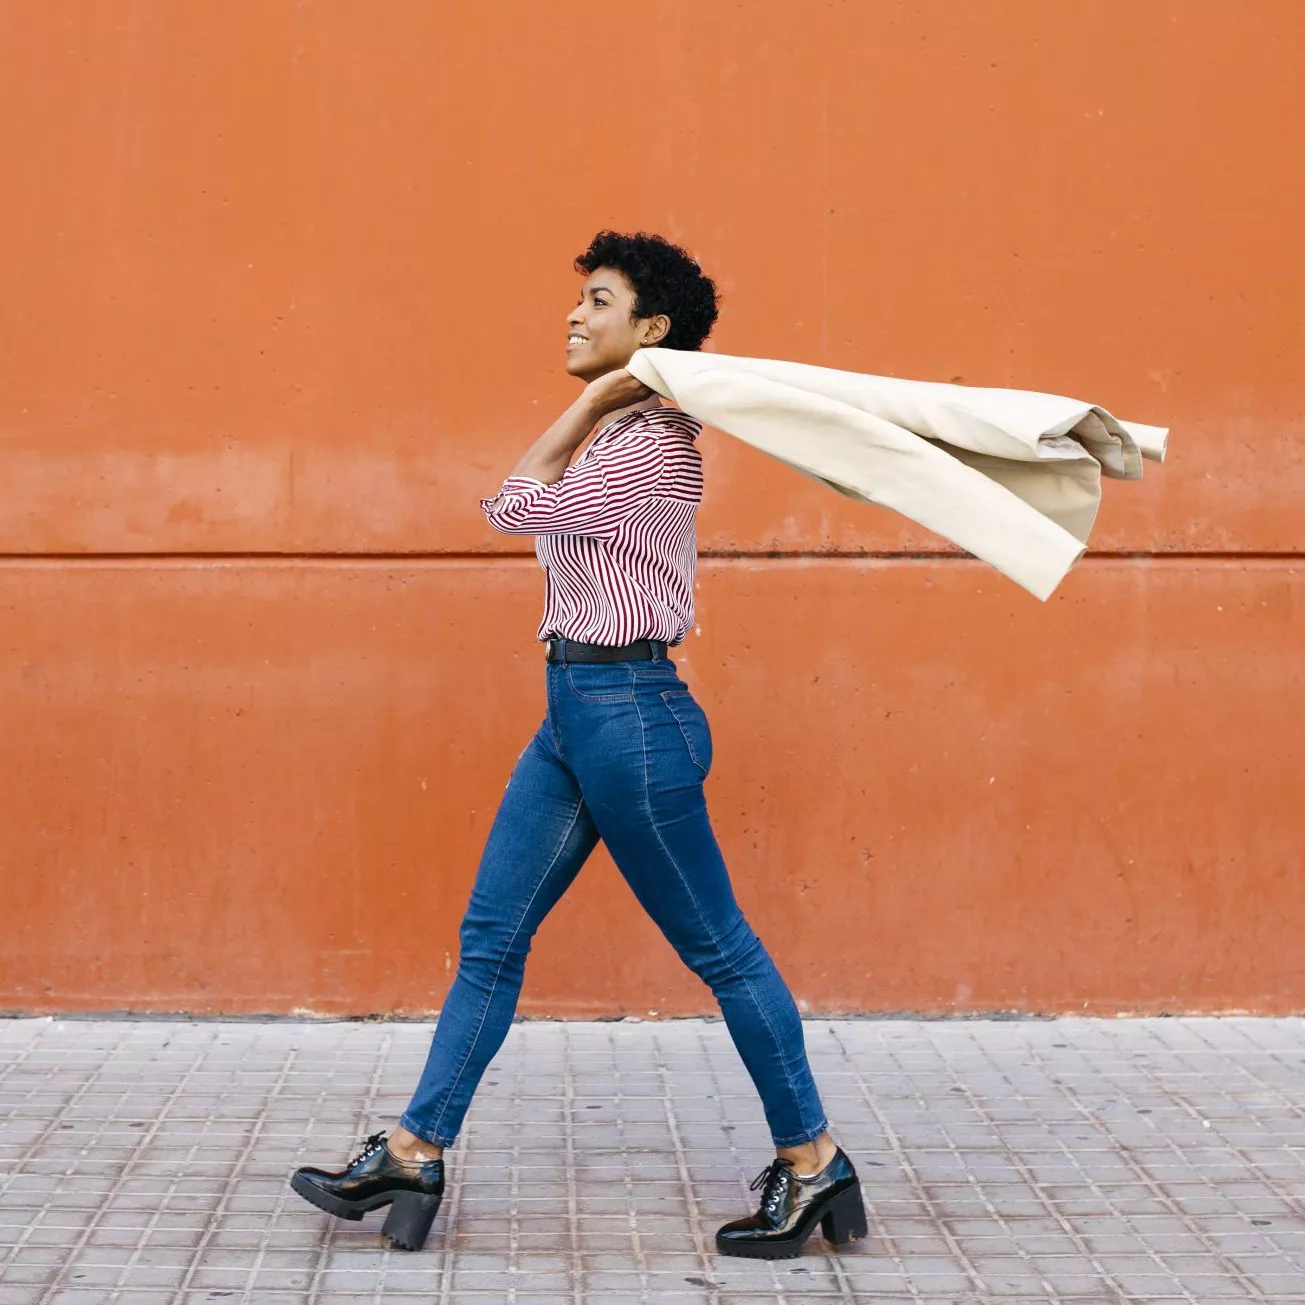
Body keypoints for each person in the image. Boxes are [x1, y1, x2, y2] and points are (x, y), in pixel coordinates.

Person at [289, 231, 867, 1259]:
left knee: (721, 951)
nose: (572, 315)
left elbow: (511, 501)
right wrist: (596, 405)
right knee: (491, 938)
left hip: (632, 718)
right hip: (575, 715)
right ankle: (416, 1150)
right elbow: (520, 493)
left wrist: (597, 403)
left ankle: (813, 1163)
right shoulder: (618, 435)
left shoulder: (650, 444)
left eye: (597, 301)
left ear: (650, 331)